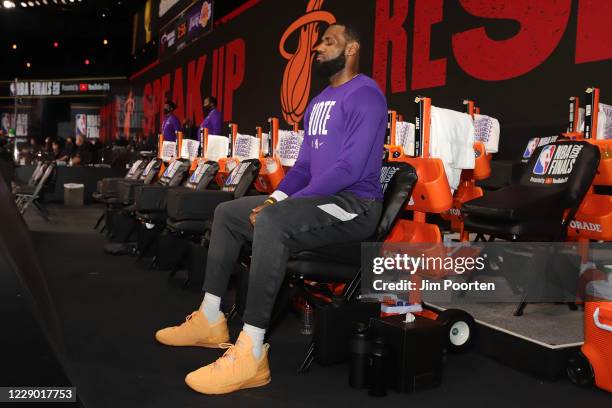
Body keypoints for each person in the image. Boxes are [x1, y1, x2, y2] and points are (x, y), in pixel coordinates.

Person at [155, 22, 387, 395]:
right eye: (318, 43)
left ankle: (251, 352)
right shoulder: (317, 103)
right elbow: (305, 169)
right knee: (229, 214)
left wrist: (283, 206)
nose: (318, 48)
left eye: (329, 41)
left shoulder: (366, 95)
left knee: (275, 221)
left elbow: (350, 169)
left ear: (353, 48)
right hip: (318, 200)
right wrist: (275, 198)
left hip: (354, 206)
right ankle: (211, 318)